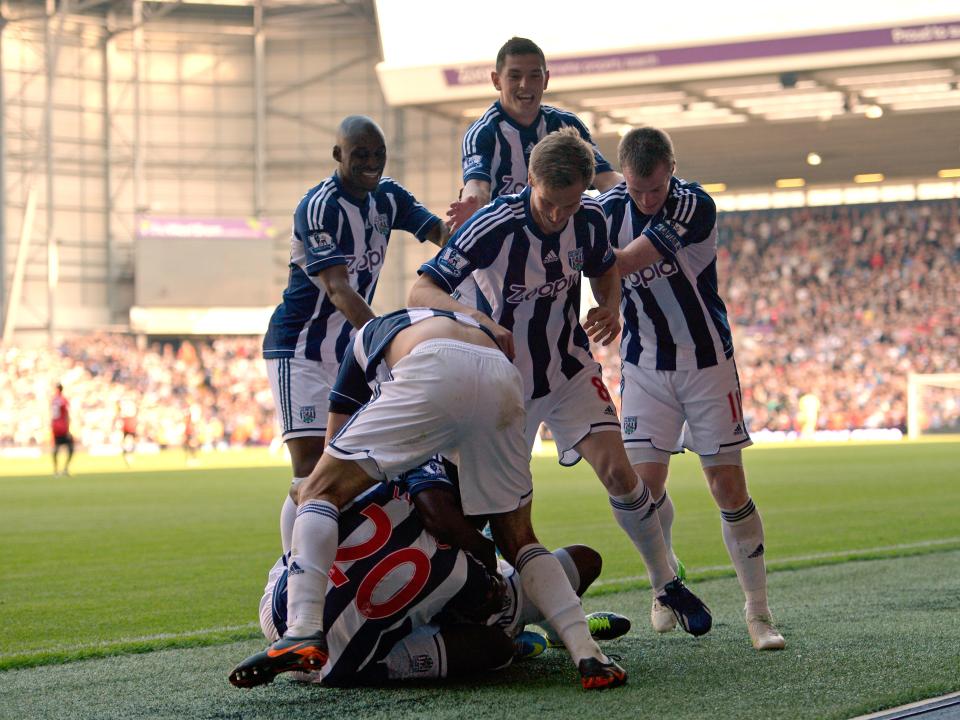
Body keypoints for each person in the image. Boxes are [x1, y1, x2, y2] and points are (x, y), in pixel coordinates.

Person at [409, 128, 712, 639]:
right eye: (550, 203)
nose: (558, 216)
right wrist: (476, 320)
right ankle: (500, 612)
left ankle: (665, 583)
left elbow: (605, 268)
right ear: (530, 180)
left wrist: (609, 305)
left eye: (569, 206)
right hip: (502, 390)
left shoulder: (589, 217)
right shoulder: (492, 226)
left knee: (621, 473)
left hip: (568, 369)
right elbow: (423, 289)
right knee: (499, 516)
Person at [231, 307, 626, 690]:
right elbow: (442, 517)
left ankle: (303, 628)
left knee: (315, 488)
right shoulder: (455, 556)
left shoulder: (377, 344)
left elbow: (334, 448)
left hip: (294, 620)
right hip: (501, 376)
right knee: (523, 541)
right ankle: (585, 651)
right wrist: (486, 558)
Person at [599, 126, 785, 650]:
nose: (645, 199)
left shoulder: (693, 205)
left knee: (727, 487)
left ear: (671, 171)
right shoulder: (611, 205)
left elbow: (624, 260)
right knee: (642, 487)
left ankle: (759, 613)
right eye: (635, 190)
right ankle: (666, 580)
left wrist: (591, 269)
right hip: (644, 365)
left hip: (706, 365)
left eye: (654, 188)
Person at [232, 459, 629, 688]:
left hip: (281, 608)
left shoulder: (386, 485)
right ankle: (551, 629)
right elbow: (480, 605)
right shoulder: (458, 570)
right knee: (496, 646)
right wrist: (483, 558)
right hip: (342, 664)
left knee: (309, 497)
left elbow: (300, 492)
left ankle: (298, 616)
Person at [261, 115, 450, 555]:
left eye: (378, 155)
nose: (371, 163)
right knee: (310, 471)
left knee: (359, 465)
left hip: (349, 350)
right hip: (301, 350)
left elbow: (439, 233)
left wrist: (472, 240)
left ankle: (348, 561)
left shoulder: (389, 198)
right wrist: (384, 342)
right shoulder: (318, 206)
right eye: (360, 154)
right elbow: (337, 288)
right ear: (338, 155)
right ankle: (295, 575)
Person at [446, 36, 622, 233]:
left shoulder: (567, 124)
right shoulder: (483, 132)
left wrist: (645, 187)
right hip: (508, 244)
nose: (525, 84)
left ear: (546, 79)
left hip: (563, 240)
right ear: (497, 81)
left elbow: (606, 180)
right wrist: (473, 203)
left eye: (534, 76)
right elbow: (478, 185)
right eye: (514, 76)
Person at [50, 383, 74, 476]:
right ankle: (65, 469)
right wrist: (68, 428)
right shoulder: (63, 400)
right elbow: (67, 414)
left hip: (55, 427)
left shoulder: (53, 400)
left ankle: (56, 470)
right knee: (71, 448)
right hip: (63, 427)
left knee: (56, 448)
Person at [118, 398, 137, 466]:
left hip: (129, 425)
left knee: (129, 442)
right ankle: (128, 454)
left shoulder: (127, 414)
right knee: (127, 442)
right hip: (128, 426)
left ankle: (128, 455)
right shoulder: (126, 414)